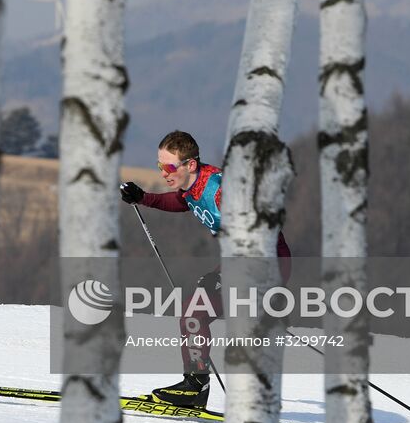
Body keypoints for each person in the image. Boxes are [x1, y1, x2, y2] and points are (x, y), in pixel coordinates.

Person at [119, 129, 292, 408]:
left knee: (200, 314)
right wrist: (144, 198)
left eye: (169, 167)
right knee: (194, 314)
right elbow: (183, 200)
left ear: (190, 165)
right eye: (159, 165)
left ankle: (230, 392)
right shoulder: (193, 186)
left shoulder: (222, 190)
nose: (164, 172)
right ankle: (197, 385)